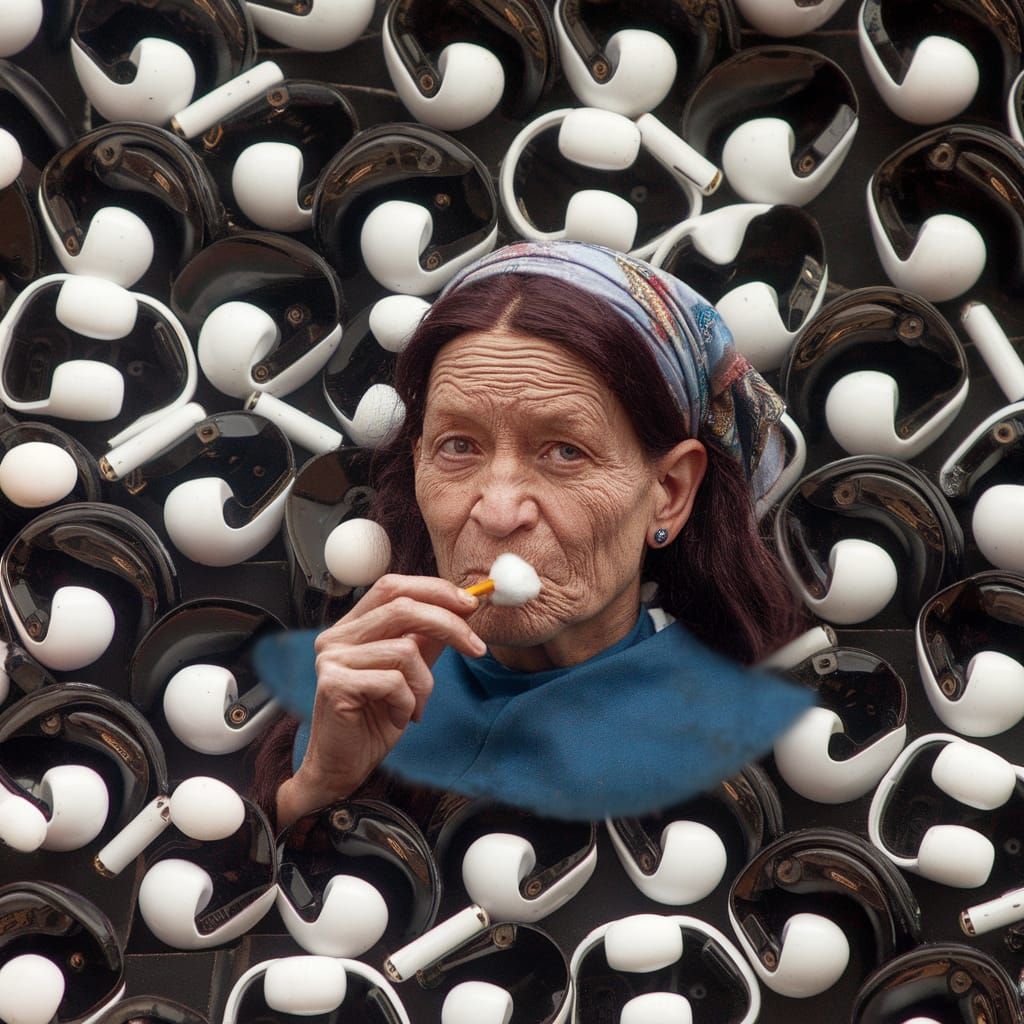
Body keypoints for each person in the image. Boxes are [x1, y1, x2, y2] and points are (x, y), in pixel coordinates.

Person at [250, 240, 814, 831]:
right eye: (458, 446)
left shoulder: (746, 747)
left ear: (668, 490)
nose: (497, 512)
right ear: (418, 466)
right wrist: (319, 788)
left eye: (564, 452)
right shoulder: (359, 700)